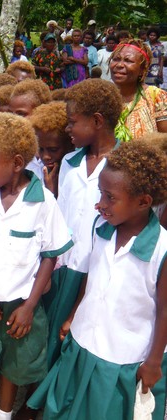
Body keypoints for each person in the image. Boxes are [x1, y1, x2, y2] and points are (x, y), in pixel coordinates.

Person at [28, 141, 167, 420]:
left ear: (143, 202)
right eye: (100, 193)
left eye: (110, 197)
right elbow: (93, 277)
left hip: (123, 357)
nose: (100, 204)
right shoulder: (101, 227)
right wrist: (73, 315)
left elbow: (165, 309)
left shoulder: (161, 249)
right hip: (84, 340)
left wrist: (153, 362)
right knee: (66, 406)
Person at [0, 112, 72, 420]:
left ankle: (3, 414)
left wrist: (30, 306)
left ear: (17, 163)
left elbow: (50, 256)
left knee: (15, 363)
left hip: (21, 304)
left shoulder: (43, 202)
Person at [44, 79, 123, 369]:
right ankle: (38, 389)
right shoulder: (69, 162)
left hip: (94, 270)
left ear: (98, 121)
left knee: (73, 336)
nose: (68, 129)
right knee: (49, 333)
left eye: (72, 122)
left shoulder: (123, 167)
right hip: (61, 264)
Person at [110, 39, 167, 141]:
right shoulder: (103, 97)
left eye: (128, 61)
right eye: (116, 59)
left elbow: (164, 142)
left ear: (142, 70)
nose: (119, 65)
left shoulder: (156, 96)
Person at [29, 101, 74, 197]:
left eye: (53, 150)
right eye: (40, 149)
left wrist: (53, 193)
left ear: (70, 144)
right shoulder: (33, 172)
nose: (45, 156)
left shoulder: (74, 173)